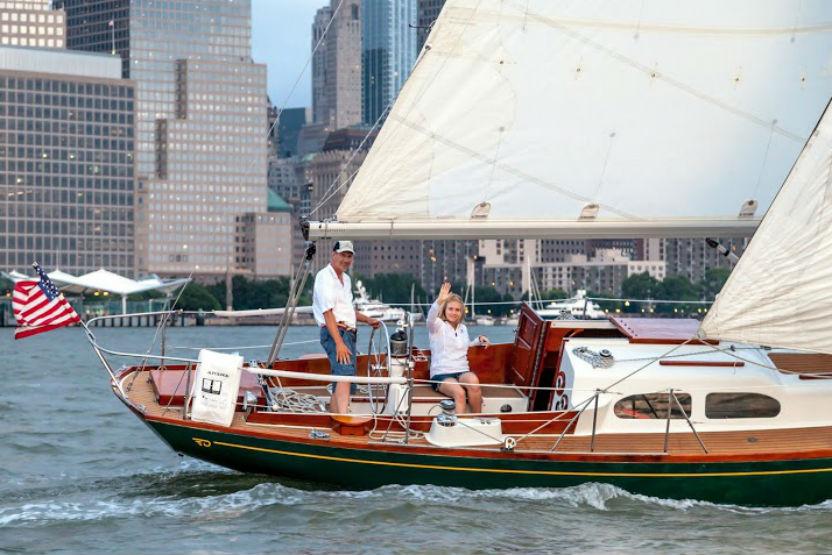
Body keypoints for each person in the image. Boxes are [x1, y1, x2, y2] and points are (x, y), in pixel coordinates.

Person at [312, 240, 380, 414]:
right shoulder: (324, 277)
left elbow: (347, 310)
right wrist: (339, 344)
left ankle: (335, 416)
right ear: (333, 255)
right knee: (344, 373)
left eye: (349, 256)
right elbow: (328, 313)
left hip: (348, 333)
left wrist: (368, 319)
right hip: (336, 332)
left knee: (341, 377)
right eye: (343, 255)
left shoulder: (347, 279)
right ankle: (344, 416)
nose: (346, 259)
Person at [427, 281, 490, 413]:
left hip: (461, 370)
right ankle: (460, 428)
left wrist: (478, 340)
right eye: (450, 309)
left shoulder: (463, 328)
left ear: (461, 312)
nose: (454, 312)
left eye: (457, 310)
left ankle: (476, 419)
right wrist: (439, 301)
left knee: (474, 382)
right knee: (460, 393)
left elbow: (464, 345)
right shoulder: (437, 325)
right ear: (444, 309)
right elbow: (430, 318)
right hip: (441, 373)